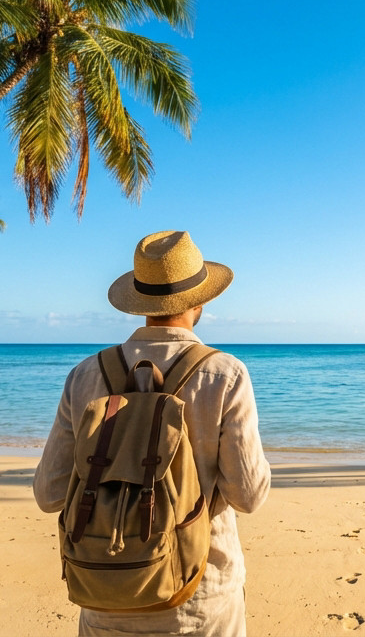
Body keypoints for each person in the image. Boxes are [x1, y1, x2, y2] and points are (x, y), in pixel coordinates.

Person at [34, 230, 270, 637]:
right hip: (200, 597)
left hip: (104, 590)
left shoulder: (87, 374)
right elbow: (247, 496)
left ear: (139, 303)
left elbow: (49, 493)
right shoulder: (225, 374)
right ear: (201, 300)